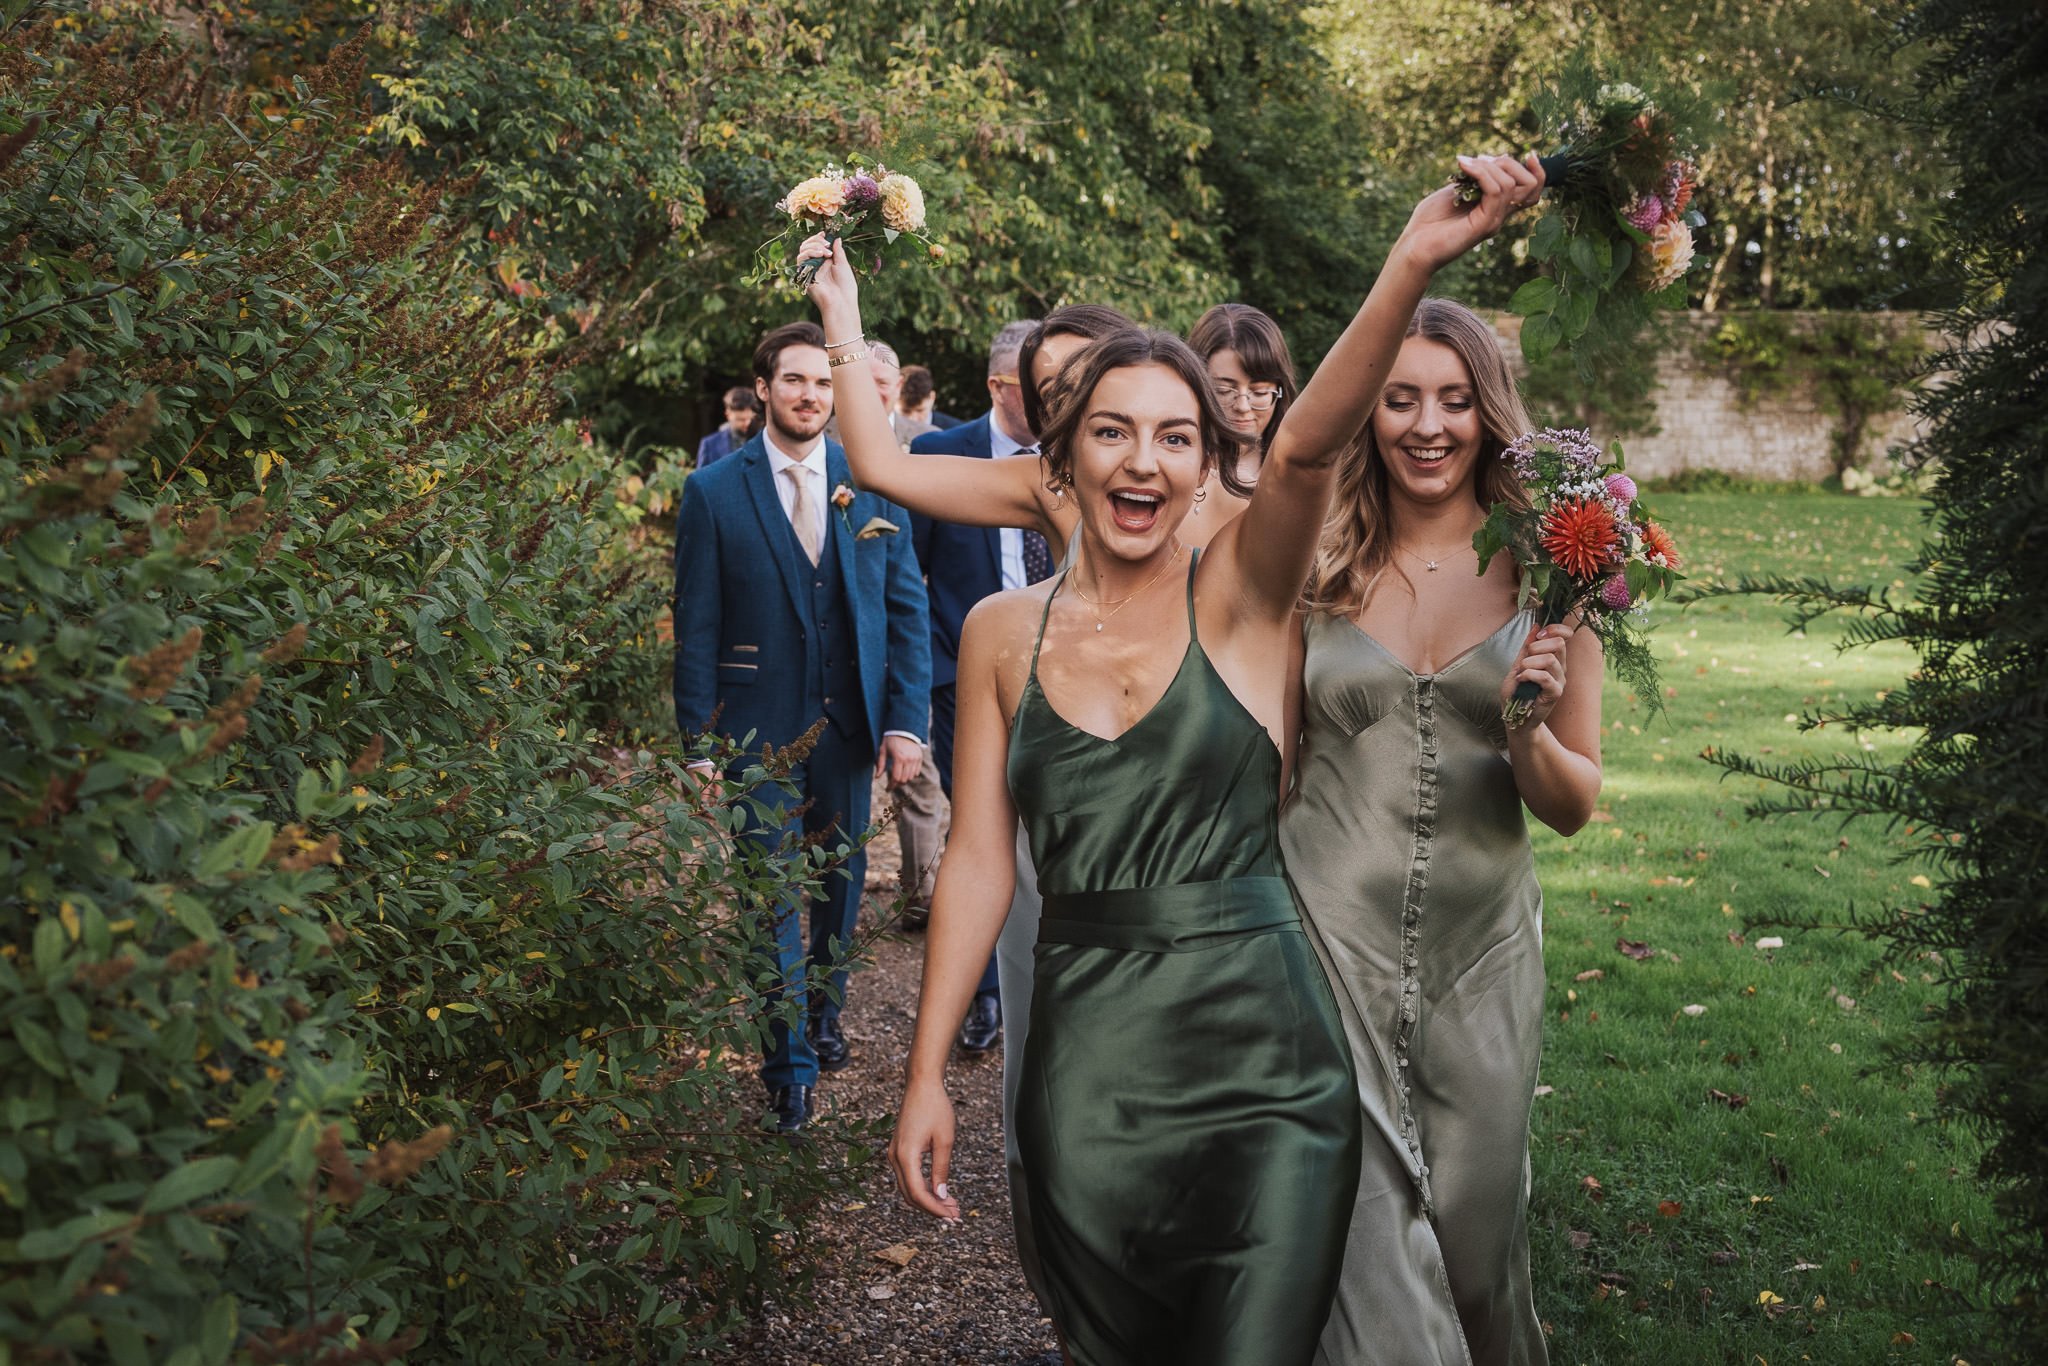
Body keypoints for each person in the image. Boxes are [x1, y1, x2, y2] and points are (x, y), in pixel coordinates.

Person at [827, 151, 1538, 1363]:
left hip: (1270, 1075)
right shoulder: (999, 634)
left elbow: (1305, 451)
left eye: (1172, 437)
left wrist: (1413, 259)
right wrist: (926, 1071)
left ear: (1207, 464)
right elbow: (979, 866)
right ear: (1061, 456)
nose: (1141, 462)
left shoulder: (1245, 601)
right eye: (1110, 432)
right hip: (1085, 1074)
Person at [1288, 288, 1601, 1366]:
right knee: (1357, 1239)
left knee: (1474, 1236)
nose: (1427, 425)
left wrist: (1525, 730)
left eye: (1455, 400)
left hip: (1483, 951)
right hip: (1325, 938)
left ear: (1488, 412)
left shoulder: (1553, 570)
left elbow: (1573, 803)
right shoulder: (1314, 555)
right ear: (1367, 412)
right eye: (1400, 399)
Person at [671, 320, 932, 1135]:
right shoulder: (714, 491)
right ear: (764, 389)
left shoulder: (872, 481)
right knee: (769, 897)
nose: (811, 395)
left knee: (840, 886)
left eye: (823, 382)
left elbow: (906, 608)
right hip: (754, 731)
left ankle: (824, 1013)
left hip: (848, 725)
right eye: (795, 379)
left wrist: (906, 722)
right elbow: (696, 626)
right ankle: (788, 1067)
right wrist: (699, 745)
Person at [906, 321, 1050, 1057]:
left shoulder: (1079, 450)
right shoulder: (942, 452)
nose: (1058, 398)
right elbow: (911, 573)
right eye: (1039, 386)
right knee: (980, 830)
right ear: (998, 387)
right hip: (968, 680)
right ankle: (986, 994)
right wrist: (932, 671)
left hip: (1065, 674)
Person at [695, 385, 760, 468]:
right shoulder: (709, 445)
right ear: (728, 414)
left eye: (750, 418)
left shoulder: (764, 440)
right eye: (740, 419)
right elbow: (701, 476)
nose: (747, 423)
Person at [896, 362, 939, 440]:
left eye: (920, 410)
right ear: (893, 398)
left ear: (932, 397)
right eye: (906, 411)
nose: (913, 419)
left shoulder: (953, 430)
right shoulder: (880, 428)